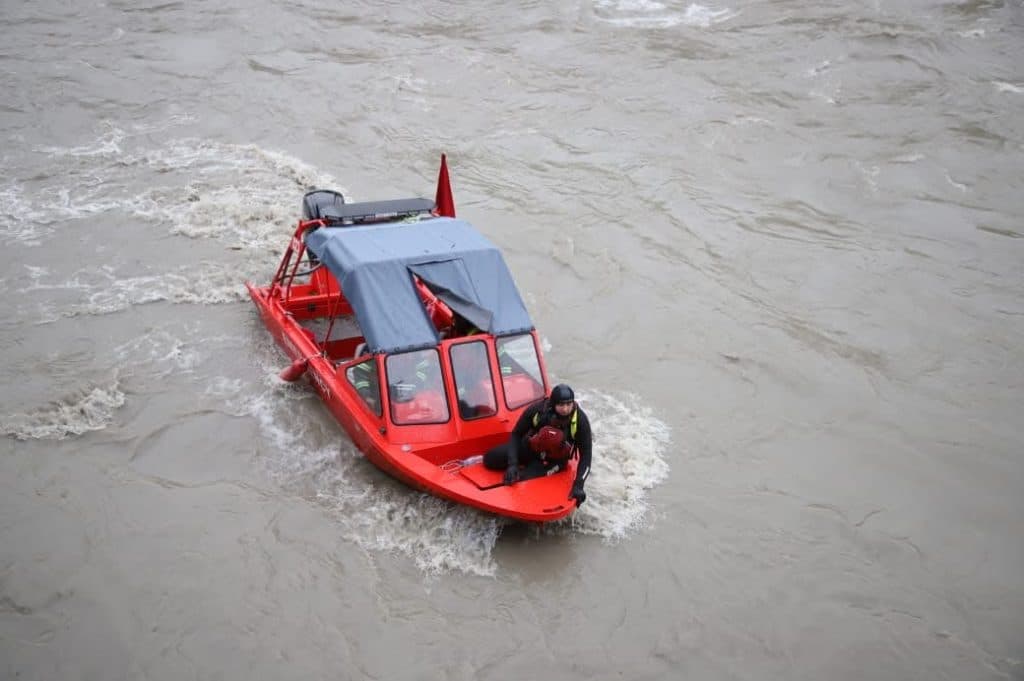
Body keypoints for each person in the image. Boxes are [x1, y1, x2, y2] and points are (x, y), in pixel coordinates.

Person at [483, 383, 592, 507]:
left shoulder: (580, 420)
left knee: (521, 481)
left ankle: (537, 469)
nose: (566, 409)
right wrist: (512, 464)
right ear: (553, 403)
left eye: (569, 404)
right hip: (531, 449)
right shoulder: (537, 410)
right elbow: (516, 434)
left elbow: (586, 456)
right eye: (561, 405)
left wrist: (579, 485)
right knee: (489, 459)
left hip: (554, 461)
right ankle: (525, 464)